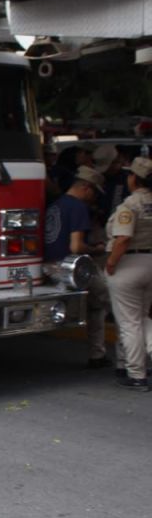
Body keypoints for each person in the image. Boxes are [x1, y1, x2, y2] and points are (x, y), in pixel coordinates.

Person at [42, 166, 110, 368]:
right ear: (86, 188)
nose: (94, 198)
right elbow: (76, 247)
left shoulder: (55, 204)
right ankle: (97, 354)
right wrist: (96, 249)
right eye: (94, 192)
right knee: (103, 300)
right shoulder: (78, 207)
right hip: (71, 267)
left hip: (49, 265)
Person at [104, 156, 152, 391]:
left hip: (128, 264)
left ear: (134, 178)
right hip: (150, 262)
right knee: (143, 318)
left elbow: (123, 238)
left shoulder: (130, 205)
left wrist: (111, 263)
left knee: (129, 322)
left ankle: (136, 375)